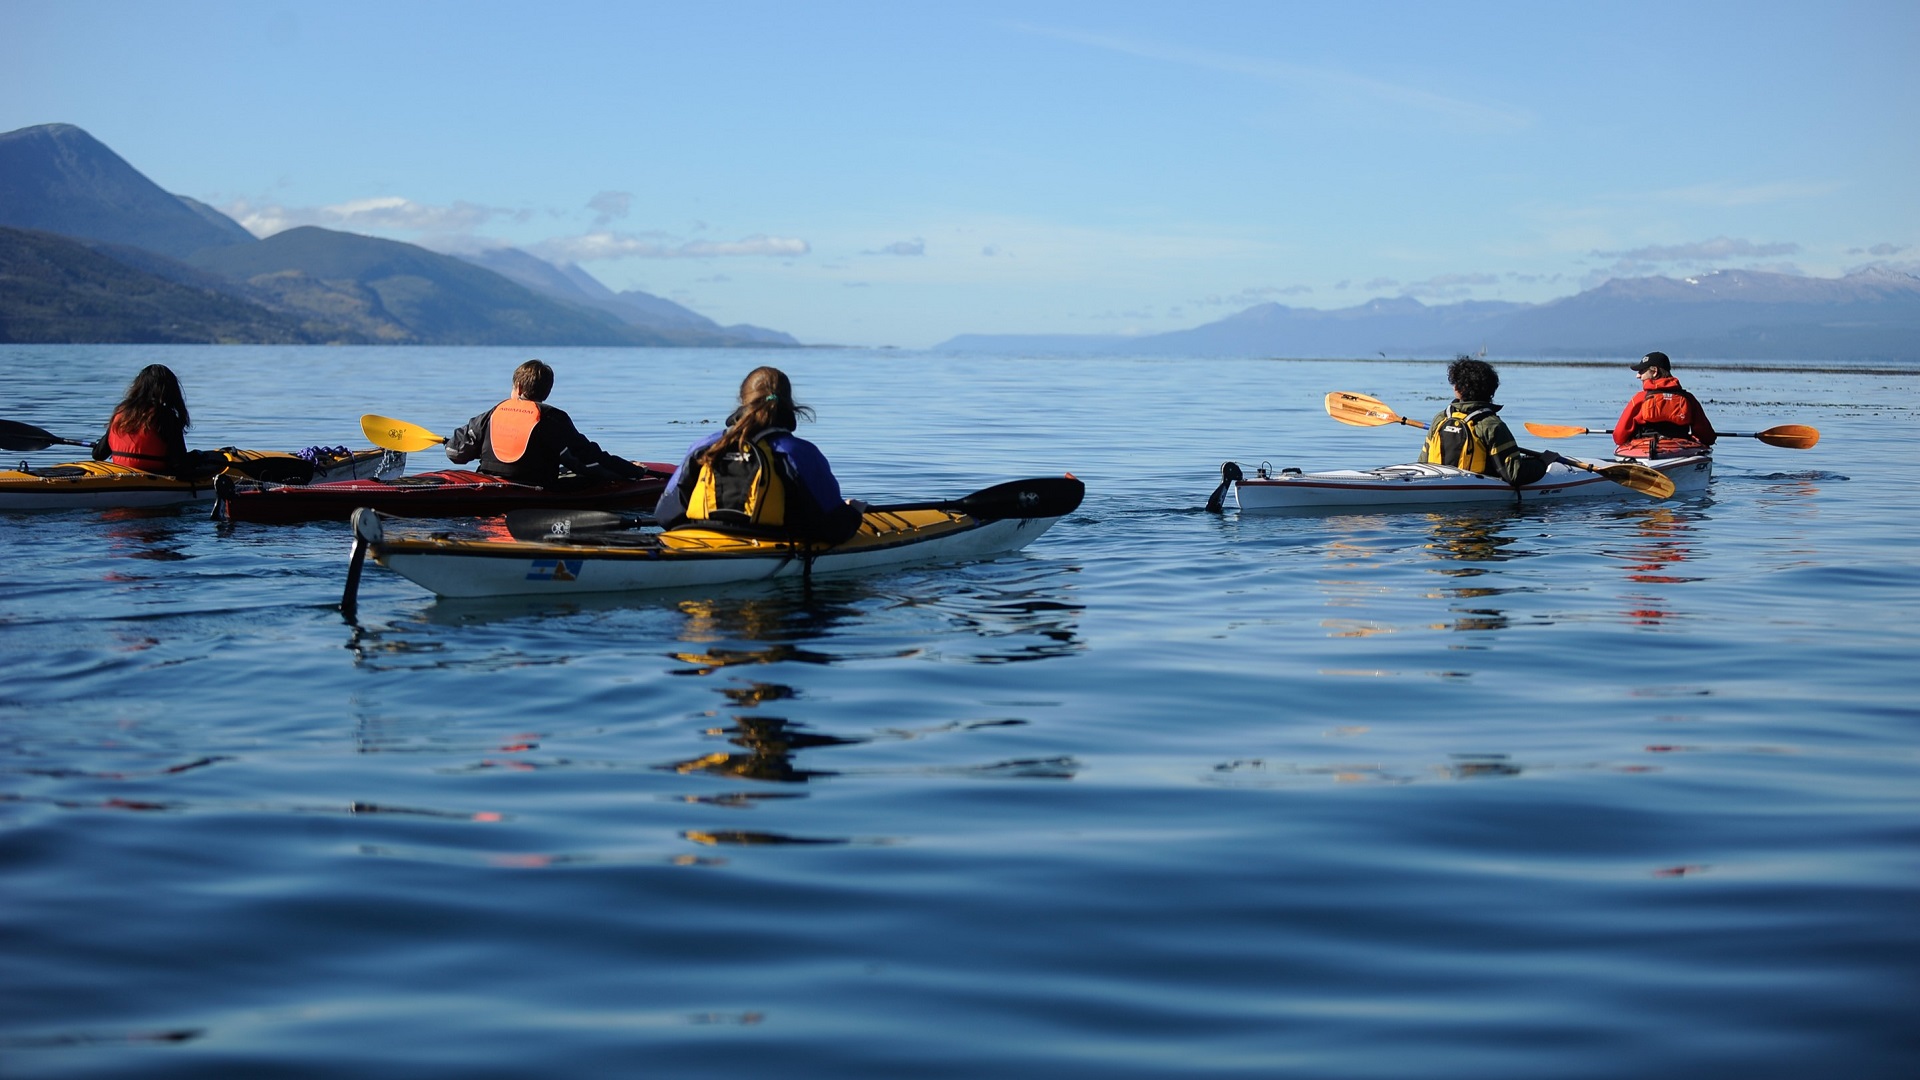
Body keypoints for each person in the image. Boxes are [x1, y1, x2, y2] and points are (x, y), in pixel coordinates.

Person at [653, 365, 863, 541]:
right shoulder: (799, 452)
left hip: (700, 541)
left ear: (742, 400)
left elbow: (665, 515)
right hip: (771, 544)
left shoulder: (705, 446)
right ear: (789, 404)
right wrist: (853, 513)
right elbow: (833, 527)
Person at [446, 359, 653, 486]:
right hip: (534, 487)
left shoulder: (492, 414)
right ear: (547, 391)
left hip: (487, 482)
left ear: (517, 386)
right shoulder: (553, 418)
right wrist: (631, 470)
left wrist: (451, 442)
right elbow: (589, 460)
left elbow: (455, 453)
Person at [1420, 356, 1549, 486]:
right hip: (1477, 496)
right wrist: (1544, 462)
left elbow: (1422, 464)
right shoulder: (1491, 425)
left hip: (1436, 484)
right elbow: (1514, 474)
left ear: (1457, 390)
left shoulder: (1441, 418)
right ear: (1492, 390)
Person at [91, 364, 215, 477]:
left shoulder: (122, 412)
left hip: (121, 472)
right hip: (154, 476)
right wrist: (196, 458)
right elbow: (179, 465)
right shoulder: (165, 416)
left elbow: (98, 454)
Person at [1613, 351, 1715, 458]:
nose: (1638, 376)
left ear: (1654, 372)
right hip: (1680, 452)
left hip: (1643, 452)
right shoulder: (1688, 399)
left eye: (1642, 371)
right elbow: (1708, 437)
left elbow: (1619, 437)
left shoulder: (1639, 398)